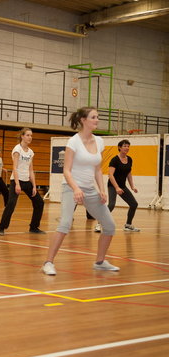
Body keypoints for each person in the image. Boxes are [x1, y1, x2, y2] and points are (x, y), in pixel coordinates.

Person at [42, 107, 119, 276]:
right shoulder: (74, 141)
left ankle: (99, 261)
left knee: (109, 226)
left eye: (97, 117)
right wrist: (76, 188)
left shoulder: (99, 141)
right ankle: (48, 262)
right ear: (83, 120)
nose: (97, 120)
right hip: (71, 187)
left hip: (90, 189)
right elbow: (66, 171)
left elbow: (98, 169)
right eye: (93, 117)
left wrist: (102, 190)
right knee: (65, 224)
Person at [0, 128, 45, 235]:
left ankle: (34, 227)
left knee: (39, 202)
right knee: (11, 204)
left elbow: (31, 170)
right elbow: (15, 168)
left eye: (31, 135)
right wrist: (17, 185)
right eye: (28, 135)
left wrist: (34, 186)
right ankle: (2, 227)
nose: (30, 137)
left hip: (27, 181)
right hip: (16, 180)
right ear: (22, 136)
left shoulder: (31, 152)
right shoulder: (17, 149)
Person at [94, 139, 140, 233]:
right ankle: (99, 224)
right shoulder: (114, 160)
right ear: (119, 147)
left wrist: (132, 186)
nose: (127, 148)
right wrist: (116, 187)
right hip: (112, 185)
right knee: (111, 205)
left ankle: (128, 225)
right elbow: (110, 175)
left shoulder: (129, 159)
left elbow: (129, 174)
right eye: (125, 146)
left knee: (134, 204)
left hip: (122, 186)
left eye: (128, 146)